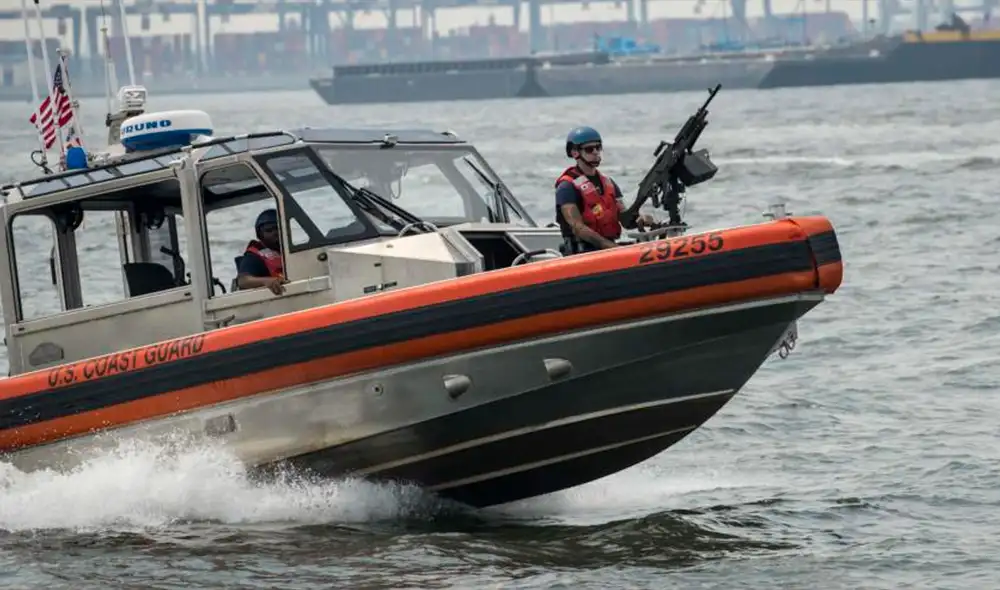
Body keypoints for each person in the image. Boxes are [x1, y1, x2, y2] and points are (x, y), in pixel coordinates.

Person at [555, 126, 654, 254]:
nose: (596, 152)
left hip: (608, 248)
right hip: (583, 253)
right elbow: (577, 227)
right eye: (589, 149)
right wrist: (610, 247)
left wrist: (641, 219)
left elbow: (624, 218)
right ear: (575, 153)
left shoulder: (608, 183)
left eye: (598, 147)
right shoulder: (567, 187)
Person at [236, 208, 286, 295]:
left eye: (277, 228)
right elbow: (243, 281)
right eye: (269, 230)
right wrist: (267, 281)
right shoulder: (254, 256)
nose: (275, 233)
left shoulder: (287, 251)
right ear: (260, 235)